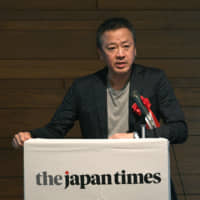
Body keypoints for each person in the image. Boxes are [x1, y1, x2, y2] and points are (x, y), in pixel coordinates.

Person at [12, 17, 187, 199]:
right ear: (100, 53)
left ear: (135, 49)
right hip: (101, 179)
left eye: (126, 46)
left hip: (146, 178)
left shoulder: (154, 80)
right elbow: (56, 129)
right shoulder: (83, 88)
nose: (120, 54)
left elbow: (180, 130)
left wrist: (135, 137)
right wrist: (30, 136)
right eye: (112, 48)